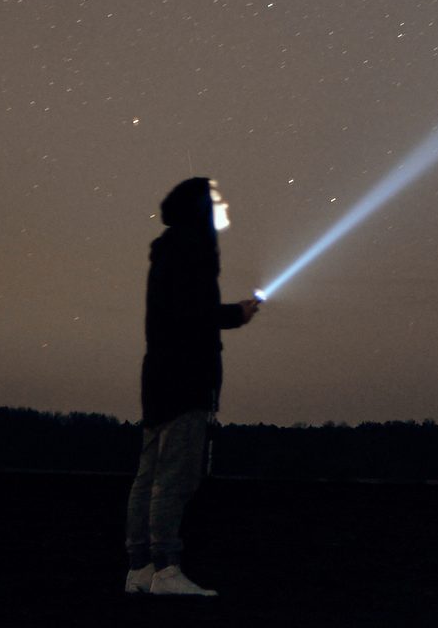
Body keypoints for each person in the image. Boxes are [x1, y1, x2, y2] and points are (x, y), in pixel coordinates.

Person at [123, 176, 262, 597]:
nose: (223, 205)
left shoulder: (170, 250)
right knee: (175, 476)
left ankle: (140, 570)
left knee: (149, 475)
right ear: (199, 209)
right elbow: (192, 313)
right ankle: (166, 570)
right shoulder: (191, 250)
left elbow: (179, 311)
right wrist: (236, 313)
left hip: (160, 377)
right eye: (215, 199)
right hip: (184, 378)